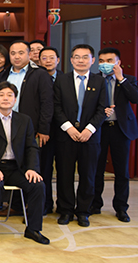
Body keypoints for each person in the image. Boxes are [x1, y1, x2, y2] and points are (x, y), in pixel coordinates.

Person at [0, 81, 49, 245]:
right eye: (1, 95)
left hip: (16, 168)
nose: (5, 98)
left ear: (15, 99)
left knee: (38, 185)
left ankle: (33, 229)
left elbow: (31, 147)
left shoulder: (25, 120)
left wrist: (32, 168)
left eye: (9, 95)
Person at [53, 44, 107, 227]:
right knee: (64, 174)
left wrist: (89, 129)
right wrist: (68, 128)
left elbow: (102, 109)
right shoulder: (62, 80)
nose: (81, 60)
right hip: (66, 135)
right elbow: (56, 107)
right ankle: (66, 210)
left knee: (88, 175)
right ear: (71, 60)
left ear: (92, 60)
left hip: (90, 137)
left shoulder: (100, 82)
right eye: (77, 57)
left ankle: (84, 211)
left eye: (85, 57)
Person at [93, 47, 138, 222]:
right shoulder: (94, 79)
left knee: (121, 171)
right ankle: (95, 204)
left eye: (109, 61)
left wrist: (121, 79)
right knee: (96, 169)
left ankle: (121, 208)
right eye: (102, 61)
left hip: (120, 128)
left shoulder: (129, 79)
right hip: (100, 128)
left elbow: (134, 98)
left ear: (118, 62)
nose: (105, 64)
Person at [0, 40, 54, 151]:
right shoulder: (3, 76)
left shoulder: (40, 74)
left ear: (29, 54)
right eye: (13, 53)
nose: (16, 56)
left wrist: (43, 129)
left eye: (21, 53)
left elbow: (47, 103)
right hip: (6, 127)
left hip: (32, 128)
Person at [38, 46, 62, 214]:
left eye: (51, 57)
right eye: (44, 58)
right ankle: (45, 203)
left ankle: (64, 205)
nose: (48, 61)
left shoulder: (65, 79)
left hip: (64, 130)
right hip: (43, 131)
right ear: (39, 61)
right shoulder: (36, 78)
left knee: (64, 170)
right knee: (44, 168)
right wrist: (43, 128)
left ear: (58, 60)